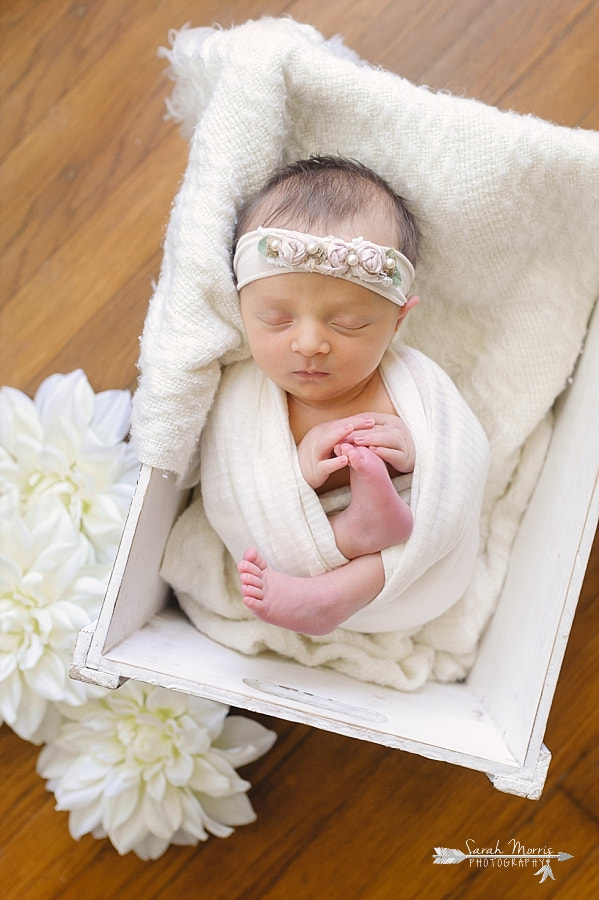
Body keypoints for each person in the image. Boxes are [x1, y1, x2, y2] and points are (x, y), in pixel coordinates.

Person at [229, 155, 423, 635]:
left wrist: (411, 452)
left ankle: (333, 590)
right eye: (277, 319)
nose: (310, 343)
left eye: (350, 323)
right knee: (277, 546)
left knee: (408, 539)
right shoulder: (245, 398)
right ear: (239, 304)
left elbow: (459, 462)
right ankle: (348, 541)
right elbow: (235, 483)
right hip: (297, 550)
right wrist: (300, 473)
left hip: (389, 560)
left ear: (398, 321)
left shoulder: (415, 388)